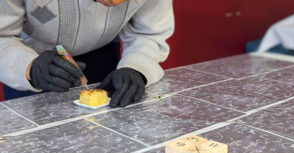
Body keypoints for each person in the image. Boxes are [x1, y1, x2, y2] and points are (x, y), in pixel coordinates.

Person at [0, 0, 174, 107]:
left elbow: (149, 34)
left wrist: (137, 67)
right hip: (33, 67)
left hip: (103, 62)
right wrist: (28, 68)